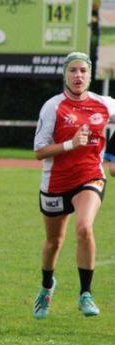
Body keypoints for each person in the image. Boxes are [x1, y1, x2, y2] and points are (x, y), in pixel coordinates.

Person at [32, 52, 115, 319]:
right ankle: (47, 286)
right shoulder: (53, 106)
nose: (78, 76)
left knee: (84, 227)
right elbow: (39, 151)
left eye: (83, 71)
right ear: (65, 75)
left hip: (90, 176)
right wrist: (70, 144)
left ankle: (86, 294)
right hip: (56, 183)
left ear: (90, 75)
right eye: (73, 71)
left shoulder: (104, 104)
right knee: (54, 242)